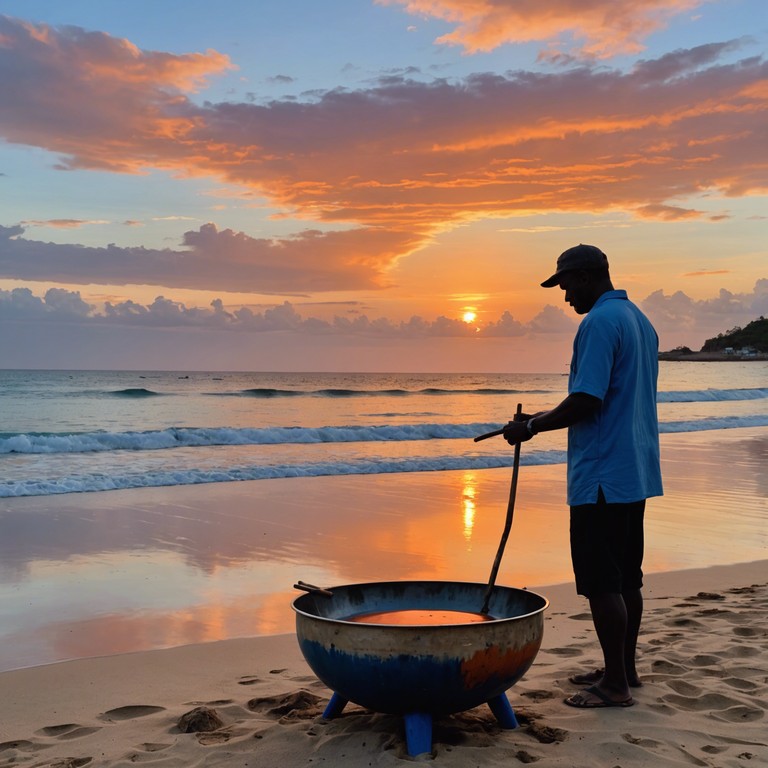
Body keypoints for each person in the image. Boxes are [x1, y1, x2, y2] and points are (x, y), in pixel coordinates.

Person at [502, 244, 663, 709]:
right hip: (633, 469)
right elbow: (603, 398)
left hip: (600, 476)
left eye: (567, 283)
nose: (564, 295)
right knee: (626, 577)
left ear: (590, 276)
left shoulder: (596, 323)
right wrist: (544, 415)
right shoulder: (639, 320)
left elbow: (588, 400)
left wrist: (530, 426)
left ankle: (614, 686)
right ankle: (624, 669)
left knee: (601, 582)